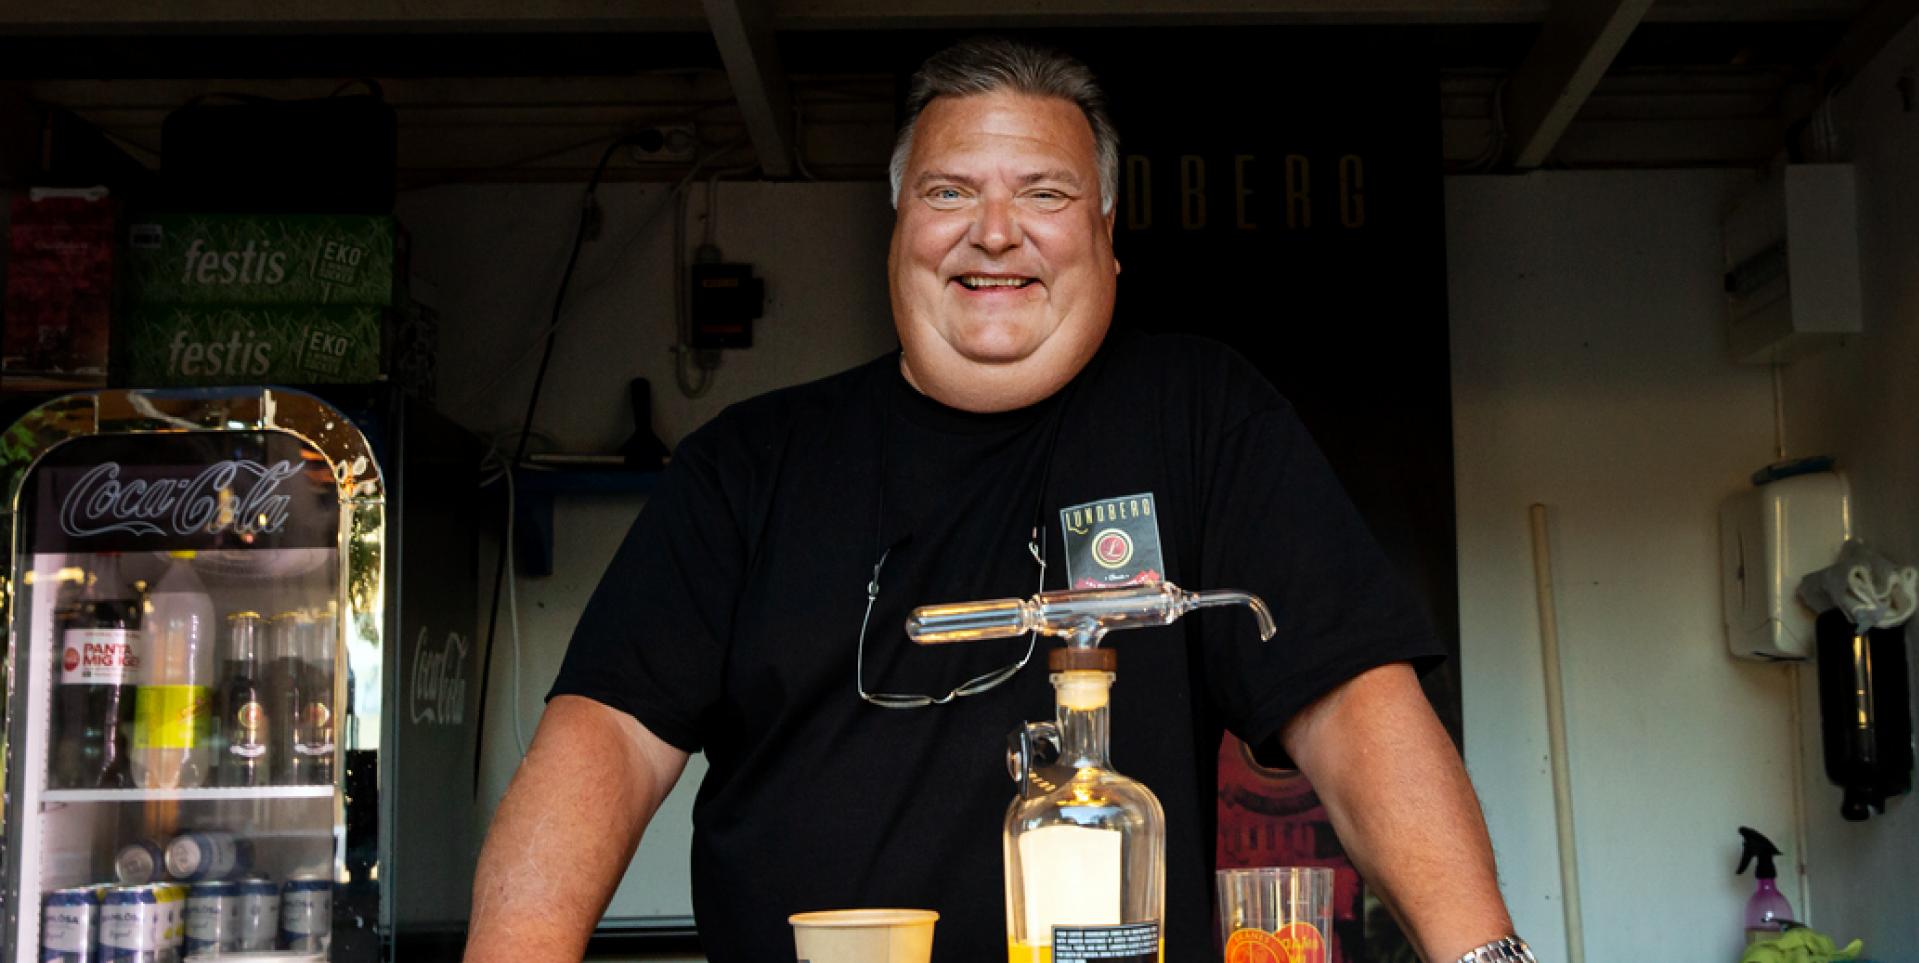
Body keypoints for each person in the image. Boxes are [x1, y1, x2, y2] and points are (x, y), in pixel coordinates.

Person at [466, 37, 1533, 963]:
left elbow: (1351, 703)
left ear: (1106, 237)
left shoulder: (1196, 416)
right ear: (896, 230)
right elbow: (603, 739)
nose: (993, 231)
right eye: (947, 192)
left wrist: (1483, 954)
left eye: (1043, 192)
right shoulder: (749, 463)